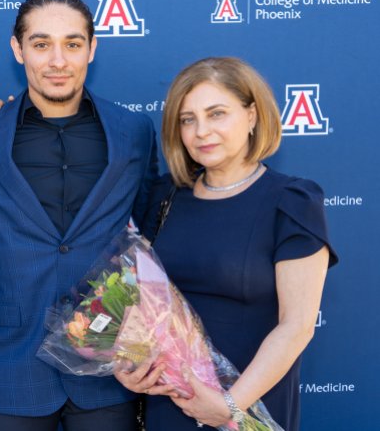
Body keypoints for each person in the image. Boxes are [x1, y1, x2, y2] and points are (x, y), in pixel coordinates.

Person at [0, 0, 158, 431]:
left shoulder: (134, 131)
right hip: (11, 360)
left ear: (92, 48)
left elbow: (151, 238)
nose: (58, 61)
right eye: (41, 44)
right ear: (18, 49)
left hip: (107, 360)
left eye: (73, 44)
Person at [114, 57, 337, 430]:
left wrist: (230, 405)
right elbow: (143, 299)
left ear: (252, 115)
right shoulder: (165, 195)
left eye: (217, 114)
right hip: (168, 405)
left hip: (248, 408)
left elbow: (297, 324)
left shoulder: (292, 200)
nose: (201, 131)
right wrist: (127, 363)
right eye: (188, 119)